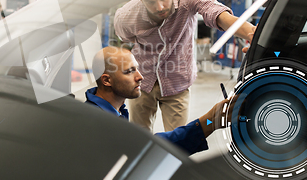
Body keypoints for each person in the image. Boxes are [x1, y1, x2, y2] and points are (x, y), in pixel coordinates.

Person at [114, 0, 254, 132]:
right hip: (142, 80)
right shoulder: (126, 17)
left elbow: (217, 14)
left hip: (177, 82)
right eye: (151, 2)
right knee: (139, 137)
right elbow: (126, 39)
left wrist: (250, 33)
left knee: (178, 141)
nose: (159, 7)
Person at [85, 46, 230, 156]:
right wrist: (211, 120)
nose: (140, 77)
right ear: (106, 80)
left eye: (137, 69)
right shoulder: (98, 123)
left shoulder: (113, 111)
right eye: (129, 71)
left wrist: (212, 120)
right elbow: (149, 147)